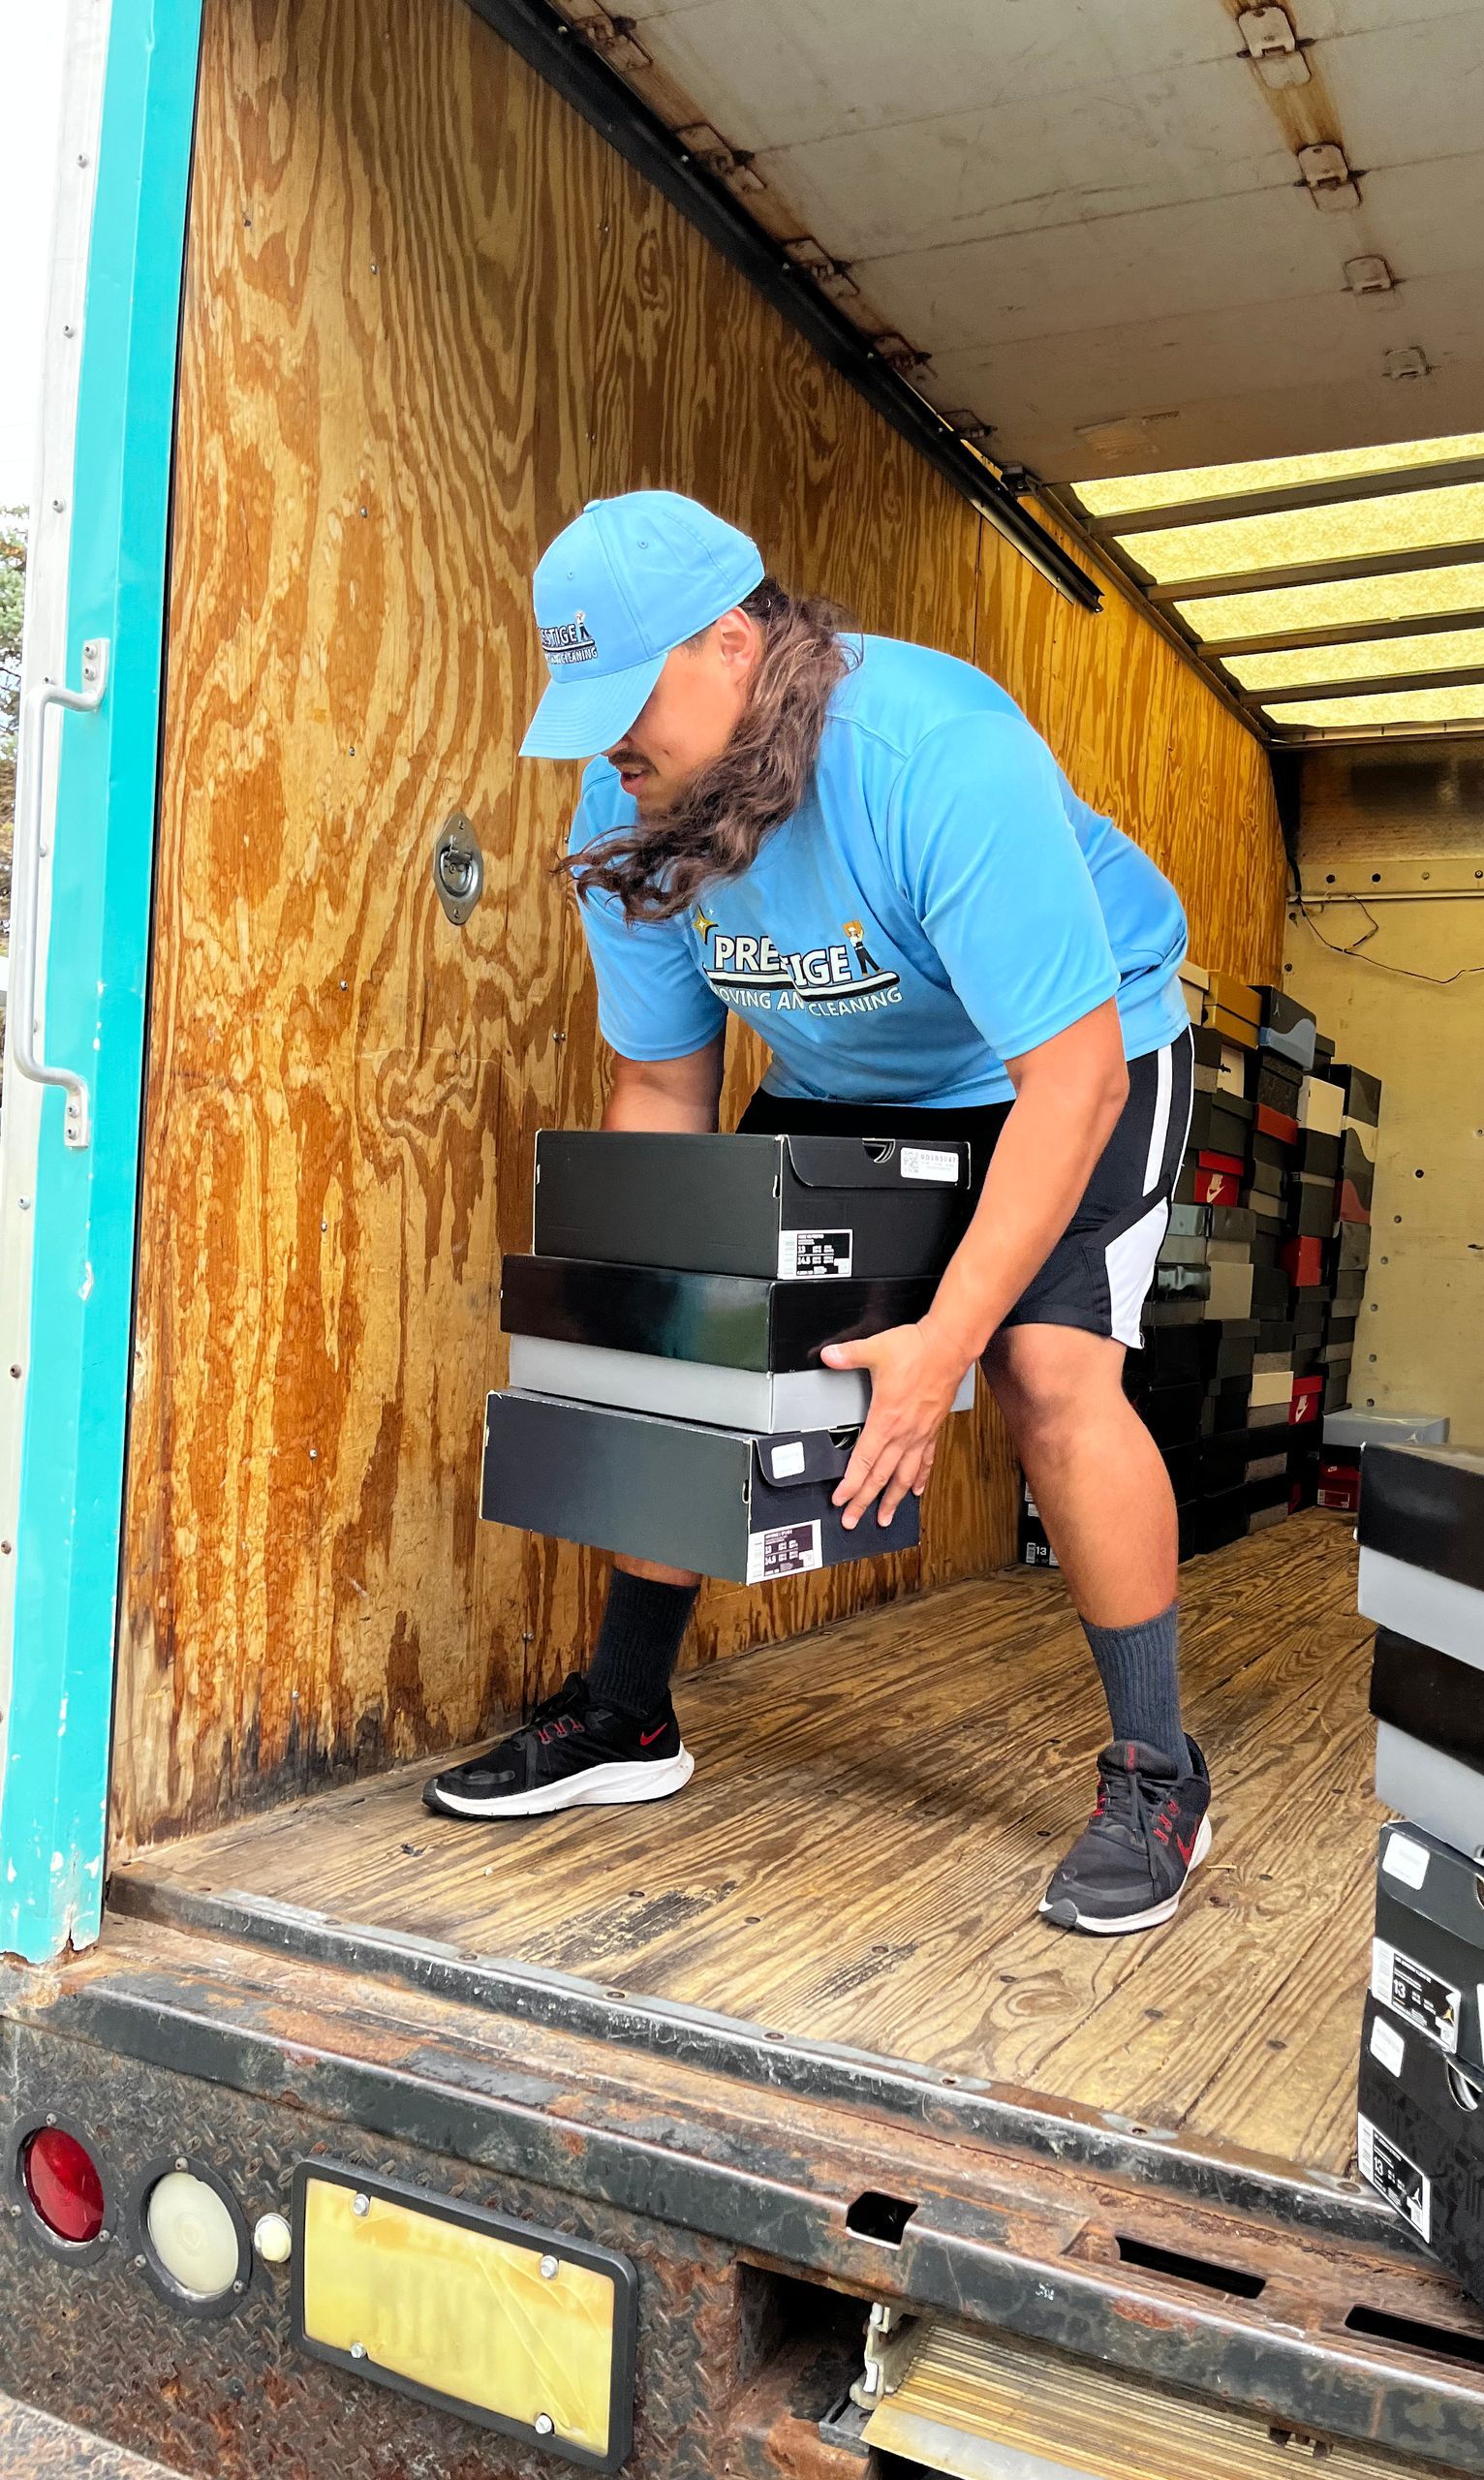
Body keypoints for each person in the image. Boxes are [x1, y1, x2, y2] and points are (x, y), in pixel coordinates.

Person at [427, 490, 1210, 1936]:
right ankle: (626, 1715)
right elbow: (663, 1088)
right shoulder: (632, 808)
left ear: (734, 644)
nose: (611, 746)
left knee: (1045, 1376)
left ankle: (1158, 1772)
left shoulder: (932, 753)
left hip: (1069, 1054)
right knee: (691, 1343)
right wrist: (644, 1301)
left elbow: (1076, 1080)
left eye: (628, 700)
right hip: (851, 1070)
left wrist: (943, 1344)